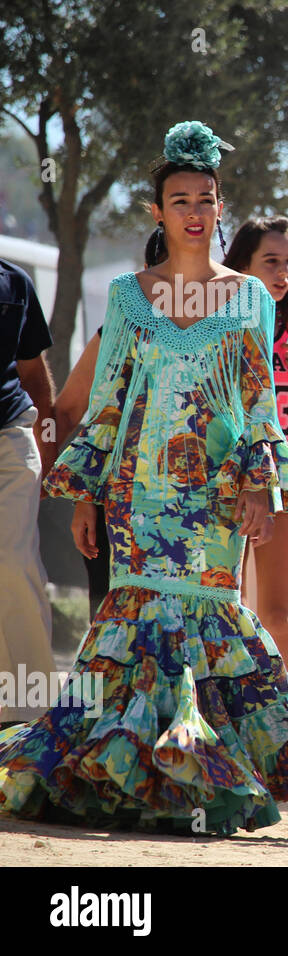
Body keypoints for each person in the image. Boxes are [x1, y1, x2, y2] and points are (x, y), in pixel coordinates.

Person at [0, 121, 288, 833]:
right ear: (158, 212)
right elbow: (108, 402)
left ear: (220, 207)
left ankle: (203, 774)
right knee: (137, 619)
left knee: (208, 616)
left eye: (205, 199)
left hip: (215, 496)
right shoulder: (128, 296)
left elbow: (256, 402)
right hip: (137, 494)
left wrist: (258, 484)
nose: (194, 212)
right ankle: (122, 772)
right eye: (179, 200)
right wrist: (87, 495)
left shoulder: (251, 297)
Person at [224, 216, 288, 685]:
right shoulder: (222, 321)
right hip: (232, 477)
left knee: (278, 612)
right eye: (271, 262)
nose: (284, 273)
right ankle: (231, 710)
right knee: (230, 602)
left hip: (287, 476)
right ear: (242, 265)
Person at [0, 256, 57, 726]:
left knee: (14, 563)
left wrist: (49, 452)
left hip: (10, 437)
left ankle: (32, 714)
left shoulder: (14, 282)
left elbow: (35, 375)